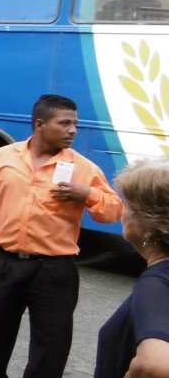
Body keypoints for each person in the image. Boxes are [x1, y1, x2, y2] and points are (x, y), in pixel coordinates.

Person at [0, 94, 122, 378]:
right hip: (6, 264)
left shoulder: (84, 168)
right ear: (40, 124)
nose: (73, 130)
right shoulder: (3, 157)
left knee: (51, 348)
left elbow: (114, 212)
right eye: (65, 123)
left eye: (75, 124)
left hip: (55, 270)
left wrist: (87, 194)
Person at [95, 158, 169, 378]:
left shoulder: (155, 284)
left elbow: (156, 365)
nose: (122, 210)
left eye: (128, 205)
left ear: (148, 226)